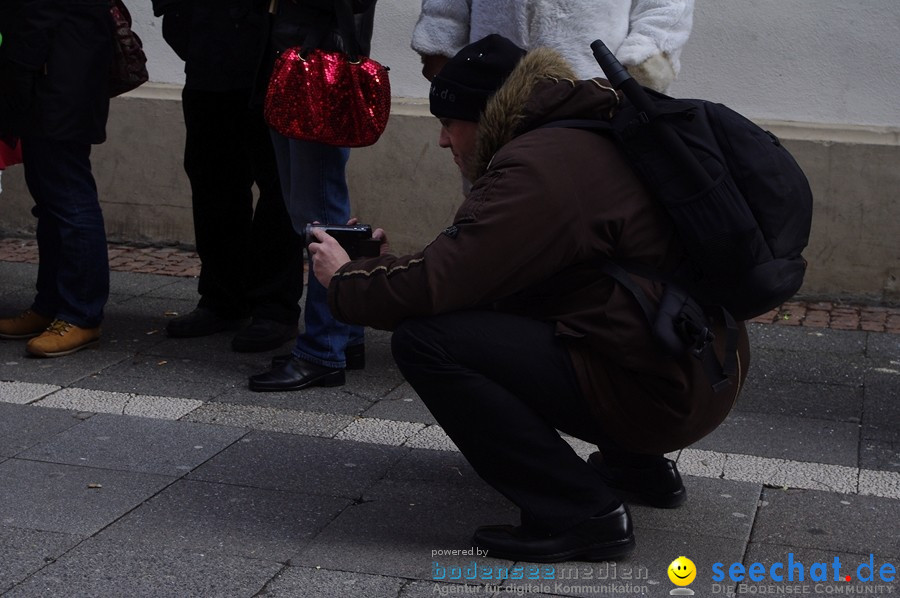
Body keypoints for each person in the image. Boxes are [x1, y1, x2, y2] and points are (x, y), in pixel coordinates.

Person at [308, 35, 750, 562]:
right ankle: (640, 469)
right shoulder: (589, 130)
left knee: (427, 342)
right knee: (501, 301)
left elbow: (437, 281)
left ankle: (582, 515)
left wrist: (344, 280)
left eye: (448, 124)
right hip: (704, 367)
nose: (445, 142)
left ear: (485, 115)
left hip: (662, 392)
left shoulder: (537, 167)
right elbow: (477, 271)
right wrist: (375, 268)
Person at [151, 0, 304, 353]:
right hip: (209, 48)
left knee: (278, 183)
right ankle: (223, 297)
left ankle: (274, 306)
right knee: (212, 178)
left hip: (276, 49)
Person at [245, 0, 375, 392]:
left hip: (317, 63)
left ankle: (323, 350)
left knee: (321, 217)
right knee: (309, 212)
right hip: (294, 57)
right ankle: (344, 338)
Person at [0, 0, 114, 357]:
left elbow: (40, 12)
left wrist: (16, 69)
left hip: (58, 72)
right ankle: (50, 306)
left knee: (68, 198)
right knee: (50, 200)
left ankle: (81, 314)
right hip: (48, 72)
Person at [411, 0, 694, 91]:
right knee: (496, 205)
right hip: (490, 86)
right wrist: (442, 50)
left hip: (594, 88)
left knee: (590, 201)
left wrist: (641, 64)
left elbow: (666, 7)